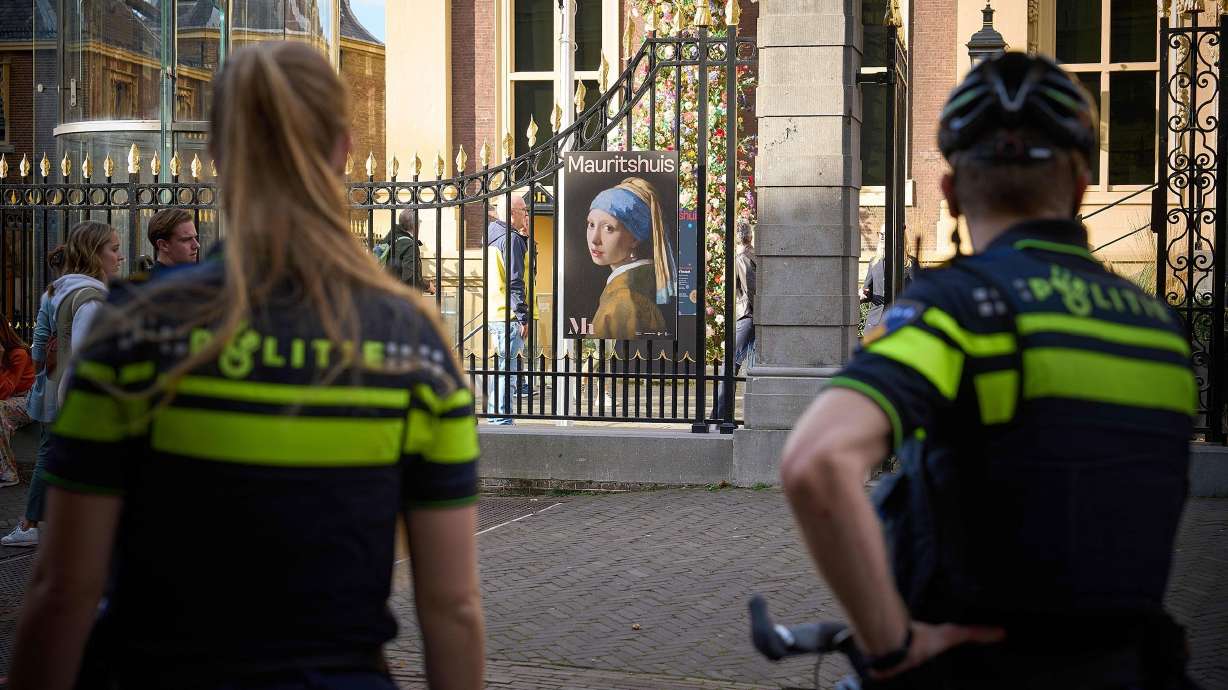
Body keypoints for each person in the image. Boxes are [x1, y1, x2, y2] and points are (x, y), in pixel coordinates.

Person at [10, 43, 484, 690]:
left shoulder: (135, 330)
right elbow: (451, 609)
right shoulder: (415, 345)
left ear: (217, 156)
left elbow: (62, 589)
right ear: (344, 149)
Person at [780, 52, 1196, 689]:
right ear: (1081, 186)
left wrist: (892, 648)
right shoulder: (1160, 335)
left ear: (948, 193)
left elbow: (817, 461)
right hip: (1128, 669)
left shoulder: (959, 309)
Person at [1, 224, 123, 549]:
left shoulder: (57, 290)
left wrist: (43, 368)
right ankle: (35, 523)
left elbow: (39, 342)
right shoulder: (93, 300)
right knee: (57, 458)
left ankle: (38, 523)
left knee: (51, 455)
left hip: (49, 389)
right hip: (69, 399)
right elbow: (86, 365)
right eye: (114, 249)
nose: (121, 256)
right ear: (94, 254)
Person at [586, 177, 675, 340]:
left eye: (608, 228)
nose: (594, 239)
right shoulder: (641, 284)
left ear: (635, 238)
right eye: (591, 224)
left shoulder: (623, 299)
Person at [485, 194, 531, 424]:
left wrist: (525, 238)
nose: (526, 214)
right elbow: (515, 281)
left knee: (502, 369)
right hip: (510, 315)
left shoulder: (494, 235)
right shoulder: (511, 240)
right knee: (508, 372)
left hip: (495, 311)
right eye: (523, 210)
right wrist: (523, 316)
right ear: (512, 212)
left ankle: (496, 418)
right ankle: (502, 421)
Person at [711, 221, 756, 424]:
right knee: (745, 365)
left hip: (746, 316)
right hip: (751, 316)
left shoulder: (741, 258)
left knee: (729, 365)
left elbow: (750, 290)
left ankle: (720, 415)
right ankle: (723, 414)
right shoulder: (752, 254)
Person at [861, 225, 917, 333]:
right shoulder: (874, 262)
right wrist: (863, 295)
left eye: (885, 234)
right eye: (880, 234)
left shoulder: (911, 264)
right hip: (874, 324)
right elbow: (868, 291)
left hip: (899, 324)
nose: (882, 237)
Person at [0, 318, 35, 488]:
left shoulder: (18, 354)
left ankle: (9, 472)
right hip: (9, 401)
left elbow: (5, 391)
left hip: (27, 401)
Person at [384, 210, 434, 294]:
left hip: (386, 293)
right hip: (401, 298)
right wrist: (427, 286)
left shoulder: (390, 239)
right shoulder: (410, 245)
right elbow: (410, 278)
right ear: (415, 225)